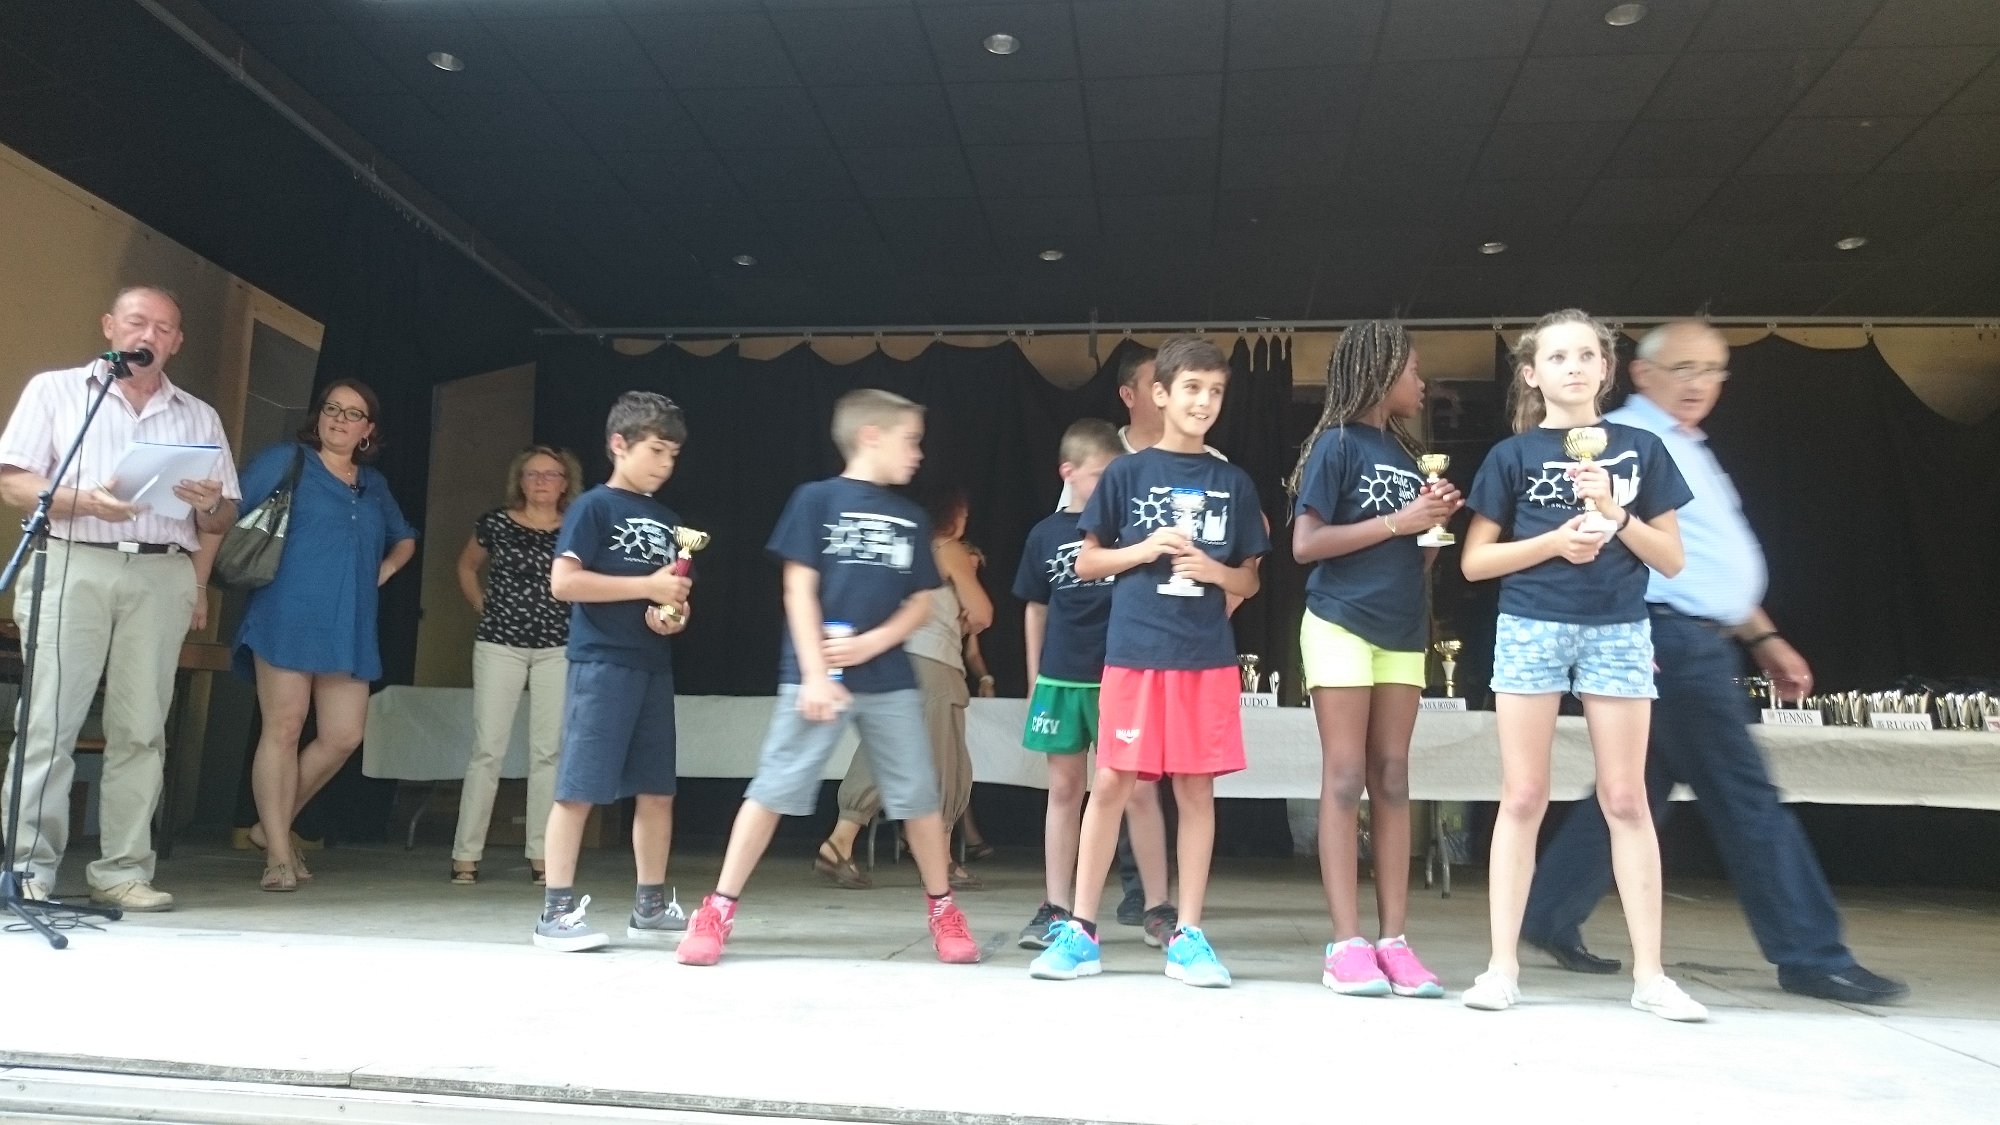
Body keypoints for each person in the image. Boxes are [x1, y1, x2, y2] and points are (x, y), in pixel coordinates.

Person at [1522, 321, 1907, 1005]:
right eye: (1685, 368)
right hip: (1664, 638)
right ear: (1643, 374)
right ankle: (1811, 952)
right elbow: (1596, 544)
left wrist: (1764, 637)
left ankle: (1547, 911)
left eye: (1713, 370)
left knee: (1636, 787)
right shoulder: (1625, 443)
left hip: (1693, 633)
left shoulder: (1685, 445)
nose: (1701, 383)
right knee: (1744, 793)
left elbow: (1709, 559)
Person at [1459, 308, 1706, 1021]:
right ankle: (1501, 967)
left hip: (1618, 628)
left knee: (1626, 798)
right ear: (1532, 374)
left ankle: (1651, 975)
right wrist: (1554, 543)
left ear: (1605, 368)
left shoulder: (1641, 450)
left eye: (1586, 355)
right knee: (1522, 795)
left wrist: (1617, 515)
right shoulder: (1512, 456)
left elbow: (1672, 559)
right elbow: (1475, 562)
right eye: (1557, 357)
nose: (1573, 366)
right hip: (1531, 623)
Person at [677, 389, 979, 967]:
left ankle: (943, 909)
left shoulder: (911, 518)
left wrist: (870, 643)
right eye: (909, 441)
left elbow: (920, 604)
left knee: (917, 796)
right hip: (815, 676)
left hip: (889, 678)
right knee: (772, 788)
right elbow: (798, 588)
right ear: (871, 436)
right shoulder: (815, 500)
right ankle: (718, 907)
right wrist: (818, 673)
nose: (917, 454)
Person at [1029, 335, 1270, 988]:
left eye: (1215, 391)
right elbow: (1086, 561)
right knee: (1112, 780)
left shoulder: (1233, 481)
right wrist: (1143, 549)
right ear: (1159, 394)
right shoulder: (1126, 474)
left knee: (1195, 789)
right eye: (1191, 388)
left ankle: (1188, 934)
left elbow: (1250, 580)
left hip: (1205, 657)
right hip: (1135, 651)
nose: (1204, 401)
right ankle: (1080, 930)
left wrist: (1215, 571)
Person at [0, 286, 239, 911]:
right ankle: (27, 867)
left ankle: (123, 871)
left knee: (142, 728)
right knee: (48, 721)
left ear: (177, 342)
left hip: (161, 570)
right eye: (137, 322)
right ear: (110, 326)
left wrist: (210, 502)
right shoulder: (57, 391)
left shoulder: (199, 415)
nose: (148, 336)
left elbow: (223, 519)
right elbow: (14, 483)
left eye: (163, 328)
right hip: (73, 558)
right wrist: (86, 500)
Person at [1286, 321, 1461, 997]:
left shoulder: (1409, 455)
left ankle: (1395, 940)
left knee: (1392, 775)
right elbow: (1306, 544)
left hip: (1402, 628)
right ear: (1380, 373)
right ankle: (1346, 942)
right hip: (1339, 622)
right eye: (1413, 370)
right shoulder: (1335, 444)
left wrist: (1431, 527)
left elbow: (1411, 557)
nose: (1422, 382)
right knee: (1345, 774)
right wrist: (1400, 521)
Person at [236, 379, 417, 891]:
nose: (340, 419)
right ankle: (277, 852)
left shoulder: (373, 484)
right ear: (318, 416)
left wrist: (382, 571)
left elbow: (405, 538)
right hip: (285, 611)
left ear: (368, 430)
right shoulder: (286, 460)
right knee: (284, 727)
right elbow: (229, 509)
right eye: (332, 409)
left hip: (349, 621)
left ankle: (269, 826)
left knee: (343, 736)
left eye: (353, 413)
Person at [530, 394, 694, 951]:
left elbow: (675, 598)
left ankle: (650, 905)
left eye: (673, 455)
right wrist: (646, 585)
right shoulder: (592, 507)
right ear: (619, 444)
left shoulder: (669, 521)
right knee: (578, 788)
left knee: (657, 789)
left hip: (652, 665)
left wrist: (671, 615)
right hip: (600, 663)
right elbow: (564, 584)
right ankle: (554, 912)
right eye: (656, 450)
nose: (664, 464)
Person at [1014, 418, 1179, 948]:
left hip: (1123, 677)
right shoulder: (1045, 534)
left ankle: (1158, 908)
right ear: (1069, 472)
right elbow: (1036, 608)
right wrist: (1035, 678)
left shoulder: (1132, 533)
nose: (1111, 486)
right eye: (1100, 475)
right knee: (1064, 789)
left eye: (1118, 476)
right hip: (1062, 679)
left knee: (1140, 791)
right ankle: (1055, 907)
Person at [816, 486, 990, 891]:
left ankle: (841, 840)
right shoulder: (947, 548)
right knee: (944, 758)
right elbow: (982, 612)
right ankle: (938, 857)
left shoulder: (903, 546)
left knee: (887, 747)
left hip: (895, 658)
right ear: (953, 515)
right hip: (933, 662)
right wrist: (965, 617)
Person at [448, 445, 583, 886]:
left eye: (551, 474)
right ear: (520, 481)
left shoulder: (577, 526)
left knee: (548, 752)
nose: (541, 481)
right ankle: (465, 854)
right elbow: (467, 566)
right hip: (499, 644)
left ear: (565, 483)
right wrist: (482, 606)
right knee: (488, 750)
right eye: (532, 474)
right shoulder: (496, 522)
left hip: (557, 646)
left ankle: (543, 854)